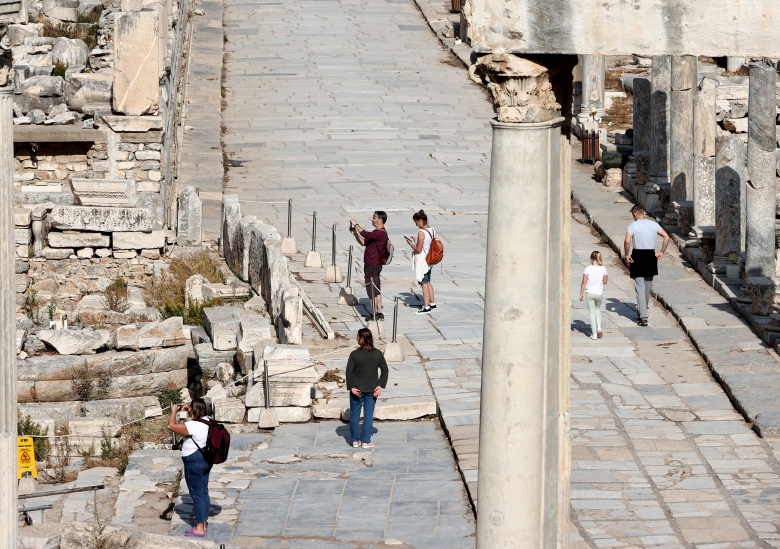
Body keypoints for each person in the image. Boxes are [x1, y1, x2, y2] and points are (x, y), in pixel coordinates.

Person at [168, 398, 211, 537]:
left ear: (195, 410)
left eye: (190, 408)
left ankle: (199, 528)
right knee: (203, 492)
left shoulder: (193, 425)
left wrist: (174, 411)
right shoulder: (208, 420)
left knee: (197, 495)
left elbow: (172, 426)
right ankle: (203, 522)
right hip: (205, 460)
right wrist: (188, 408)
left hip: (194, 462)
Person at [624, 205, 670, 326]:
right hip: (650, 256)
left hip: (638, 256)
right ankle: (643, 309)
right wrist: (662, 251)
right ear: (643, 213)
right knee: (648, 286)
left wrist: (626, 253)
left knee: (639, 286)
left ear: (635, 214)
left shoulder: (632, 225)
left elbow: (627, 240)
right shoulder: (654, 224)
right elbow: (666, 237)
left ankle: (643, 316)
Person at [345, 328, 388, 448]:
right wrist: (380, 385)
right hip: (372, 390)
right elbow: (385, 371)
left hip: (356, 390)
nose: (356, 339)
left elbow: (349, 372)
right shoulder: (378, 354)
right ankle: (366, 441)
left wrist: (352, 387)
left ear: (362, 339)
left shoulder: (354, 354)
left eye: (358, 337)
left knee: (355, 415)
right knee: (368, 415)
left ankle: (354, 440)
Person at [350, 211, 388, 321]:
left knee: (371, 289)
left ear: (380, 220)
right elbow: (363, 242)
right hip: (372, 264)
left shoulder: (380, 233)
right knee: (376, 287)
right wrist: (355, 234)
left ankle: (374, 314)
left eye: (374, 218)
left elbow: (365, 234)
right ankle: (379, 312)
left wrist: (356, 224)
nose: (372, 219)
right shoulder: (376, 234)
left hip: (372, 264)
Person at [406, 209, 436, 315]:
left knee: (424, 284)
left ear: (420, 220)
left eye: (416, 222)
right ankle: (432, 303)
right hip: (430, 259)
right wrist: (416, 241)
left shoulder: (421, 233)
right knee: (428, 281)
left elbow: (418, 250)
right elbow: (425, 244)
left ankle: (426, 306)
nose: (416, 224)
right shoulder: (432, 230)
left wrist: (411, 244)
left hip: (422, 260)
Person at [579, 250, 608, 340]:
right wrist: (599, 282)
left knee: (591, 313)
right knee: (597, 310)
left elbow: (584, 282)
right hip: (599, 293)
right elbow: (605, 281)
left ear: (592, 259)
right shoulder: (603, 269)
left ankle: (594, 334)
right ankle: (599, 328)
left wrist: (581, 293)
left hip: (590, 293)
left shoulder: (587, 269)